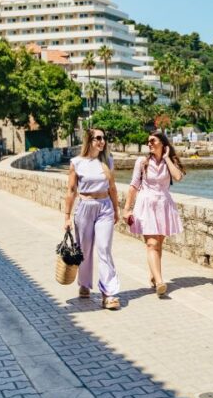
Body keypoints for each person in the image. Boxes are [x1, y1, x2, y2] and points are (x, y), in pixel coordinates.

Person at [122, 130, 185, 297]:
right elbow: (134, 185)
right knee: (151, 243)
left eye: (153, 141)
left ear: (162, 144)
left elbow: (178, 177)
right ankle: (159, 281)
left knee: (159, 244)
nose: (149, 143)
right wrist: (127, 208)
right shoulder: (141, 162)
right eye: (148, 141)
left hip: (164, 205)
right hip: (146, 205)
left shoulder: (169, 161)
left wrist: (166, 158)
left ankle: (154, 274)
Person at [64, 128, 121, 310]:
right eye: (98, 138)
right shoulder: (77, 163)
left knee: (104, 248)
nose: (102, 141)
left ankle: (109, 293)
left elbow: (112, 188)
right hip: (85, 207)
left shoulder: (108, 161)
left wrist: (116, 209)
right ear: (89, 140)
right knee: (85, 250)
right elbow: (71, 191)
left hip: (105, 207)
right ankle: (84, 283)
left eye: (104, 138)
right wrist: (66, 217)